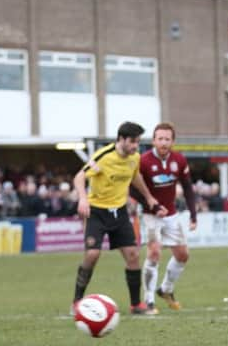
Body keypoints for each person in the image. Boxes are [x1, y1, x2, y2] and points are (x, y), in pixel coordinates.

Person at [71, 121, 166, 316]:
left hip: (120, 212)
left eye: (138, 143)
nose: (135, 147)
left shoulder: (134, 158)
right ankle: (77, 302)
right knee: (92, 255)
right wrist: (83, 199)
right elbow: (79, 177)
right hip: (97, 211)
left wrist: (149, 198)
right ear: (121, 139)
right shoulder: (104, 156)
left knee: (133, 255)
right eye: (132, 142)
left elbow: (135, 176)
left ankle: (136, 305)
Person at [133, 122, 198, 313]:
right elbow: (132, 189)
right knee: (154, 252)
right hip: (149, 215)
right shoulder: (143, 161)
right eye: (160, 138)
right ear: (153, 140)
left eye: (167, 139)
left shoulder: (179, 160)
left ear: (173, 141)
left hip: (171, 214)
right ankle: (149, 300)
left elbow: (187, 187)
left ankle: (166, 290)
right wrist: (151, 205)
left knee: (182, 255)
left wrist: (193, 215)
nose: (163, 142)